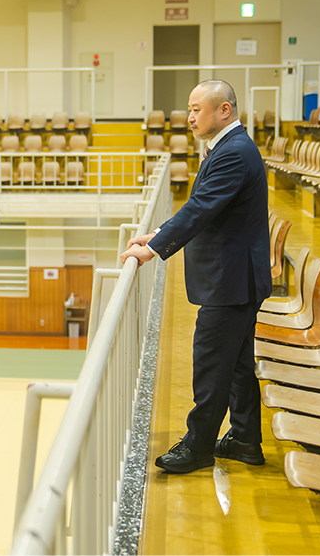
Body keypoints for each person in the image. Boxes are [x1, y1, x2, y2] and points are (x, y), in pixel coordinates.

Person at [121, 79, 271, 474]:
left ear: (224, 110)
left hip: (231, 279)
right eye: (189, 109)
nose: (189, 117)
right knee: (237, 366)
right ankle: (244, 440)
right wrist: (157, 234)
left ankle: (199, 446)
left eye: (196, 109)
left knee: (211, 365)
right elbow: (204, 207)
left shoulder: (234, 152)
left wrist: (152, 250)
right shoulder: (228, 147)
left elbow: (202, 208)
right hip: (236, 277)